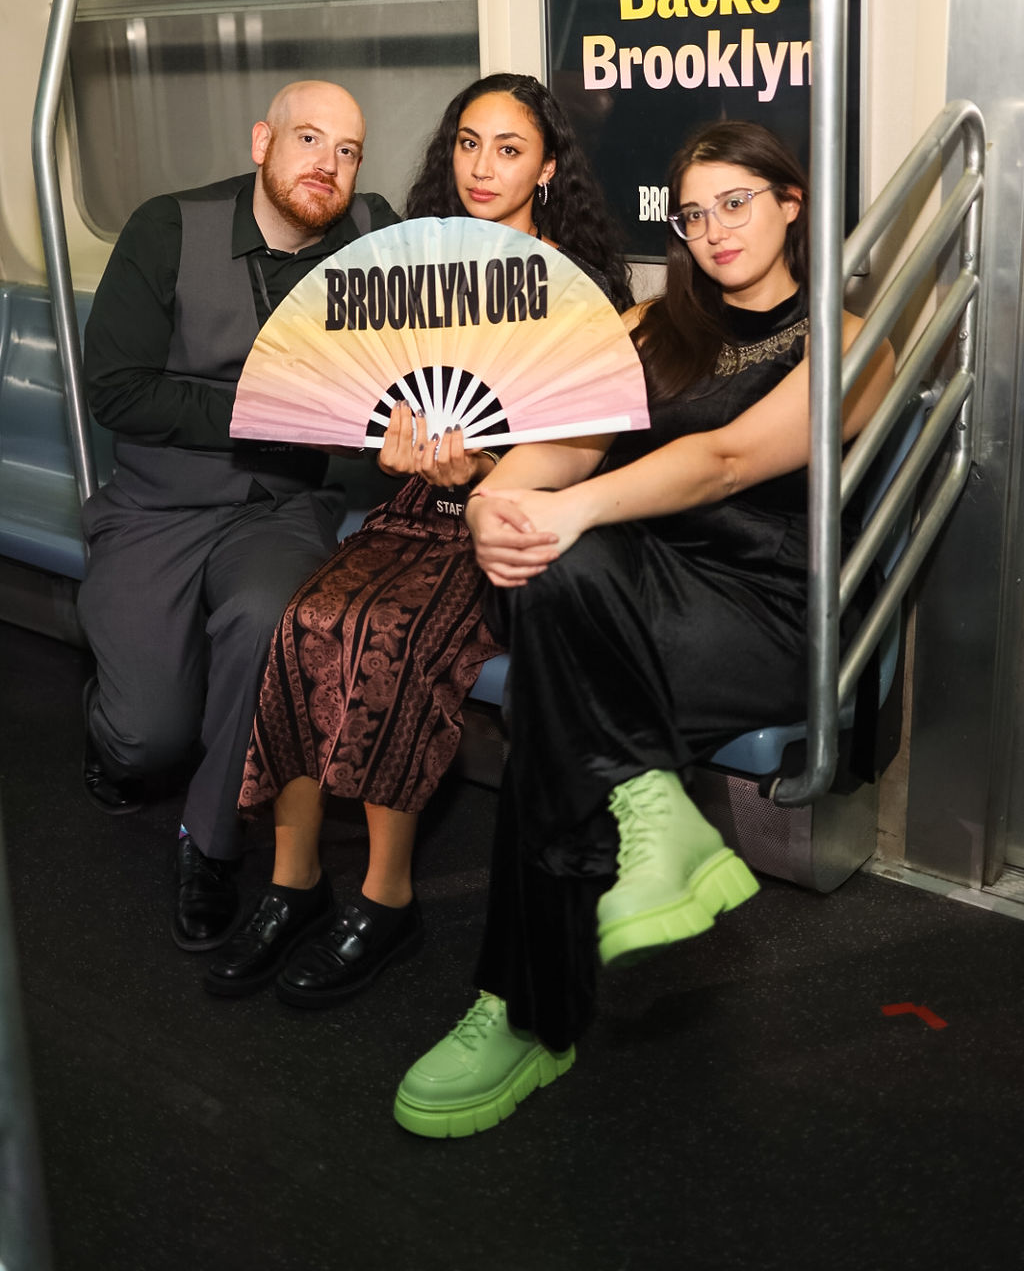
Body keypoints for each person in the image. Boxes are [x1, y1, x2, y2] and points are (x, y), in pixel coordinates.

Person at [391, 119, 895, 1138]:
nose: (714, 231)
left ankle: (525, 1011)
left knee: (554, 684)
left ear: (791, 204)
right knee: (553, 576)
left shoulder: (850, 343)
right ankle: (649, 805)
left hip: (766, 609)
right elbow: (567, 445)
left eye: (736, 204)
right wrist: (496, 500)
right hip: (632, 590)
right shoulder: (651, 326)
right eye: (695, 215)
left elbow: (728, 459)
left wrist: (566, 513)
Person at [203, 72, 632, 1003]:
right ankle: (292, 880)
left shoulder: (580, 290)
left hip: (510, 524)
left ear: (547, 168)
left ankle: (386, 897)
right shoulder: (415, 272)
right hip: (412, 507)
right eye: (469, 144)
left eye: (510, 150)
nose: (483, 167)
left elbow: (585, 453)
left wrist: (483, 471)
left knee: (387, 633)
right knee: (302, 619)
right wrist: (396, 451)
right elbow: (371, 396)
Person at [78, 80, 400, 951]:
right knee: (146, 741)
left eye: (347, 151)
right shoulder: (166, 228)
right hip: (159, 501)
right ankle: (113, 718)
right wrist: (276, 410)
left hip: (277, 507)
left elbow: (417, 352)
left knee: (267, 617)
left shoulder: (373, 237)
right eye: (308, 139)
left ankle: (210, 843)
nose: (327, 164)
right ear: (262, 142)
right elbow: (117, 391)